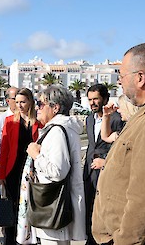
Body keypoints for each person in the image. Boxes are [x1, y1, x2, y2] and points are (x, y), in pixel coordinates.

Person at [92, 43, 145, 244]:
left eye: (122, 76)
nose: (119, 82)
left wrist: (124, 240)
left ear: (140, 78)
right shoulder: (144, 115)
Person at [17, 85, 86, 245]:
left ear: (55, 108)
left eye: (41, 104)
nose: (37, 108)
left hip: (51, 205)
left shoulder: (56, 132)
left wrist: (36, 155)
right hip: (57, 205)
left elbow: (57, 171)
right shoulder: (64, 128)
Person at [0, 88, 42, 245]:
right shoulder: (9, 121)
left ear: (30, 101)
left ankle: (29, 240)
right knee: (12, 208)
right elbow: (4, 150)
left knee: (31, 207)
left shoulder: (39, 122)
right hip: (13, 170)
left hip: (32, 171)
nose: (19, 105)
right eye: (17, 102)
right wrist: (1, 174)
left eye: (23, 102)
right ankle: (9, 240)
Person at [83, 84, 124, 245]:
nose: (92, 103)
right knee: (89, 209)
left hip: (106, 171)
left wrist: (105, 160)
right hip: (89, 173)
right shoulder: (89, 118)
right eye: (90, 100)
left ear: (105, 99)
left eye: (96, 99)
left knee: (104, 210)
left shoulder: (117, 119)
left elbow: (121, 147)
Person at [0, 86, 19, 162]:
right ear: (8, 100)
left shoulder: (27, 118)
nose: (19, 101)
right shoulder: (2, 119)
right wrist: (2, 161)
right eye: (15, 98)